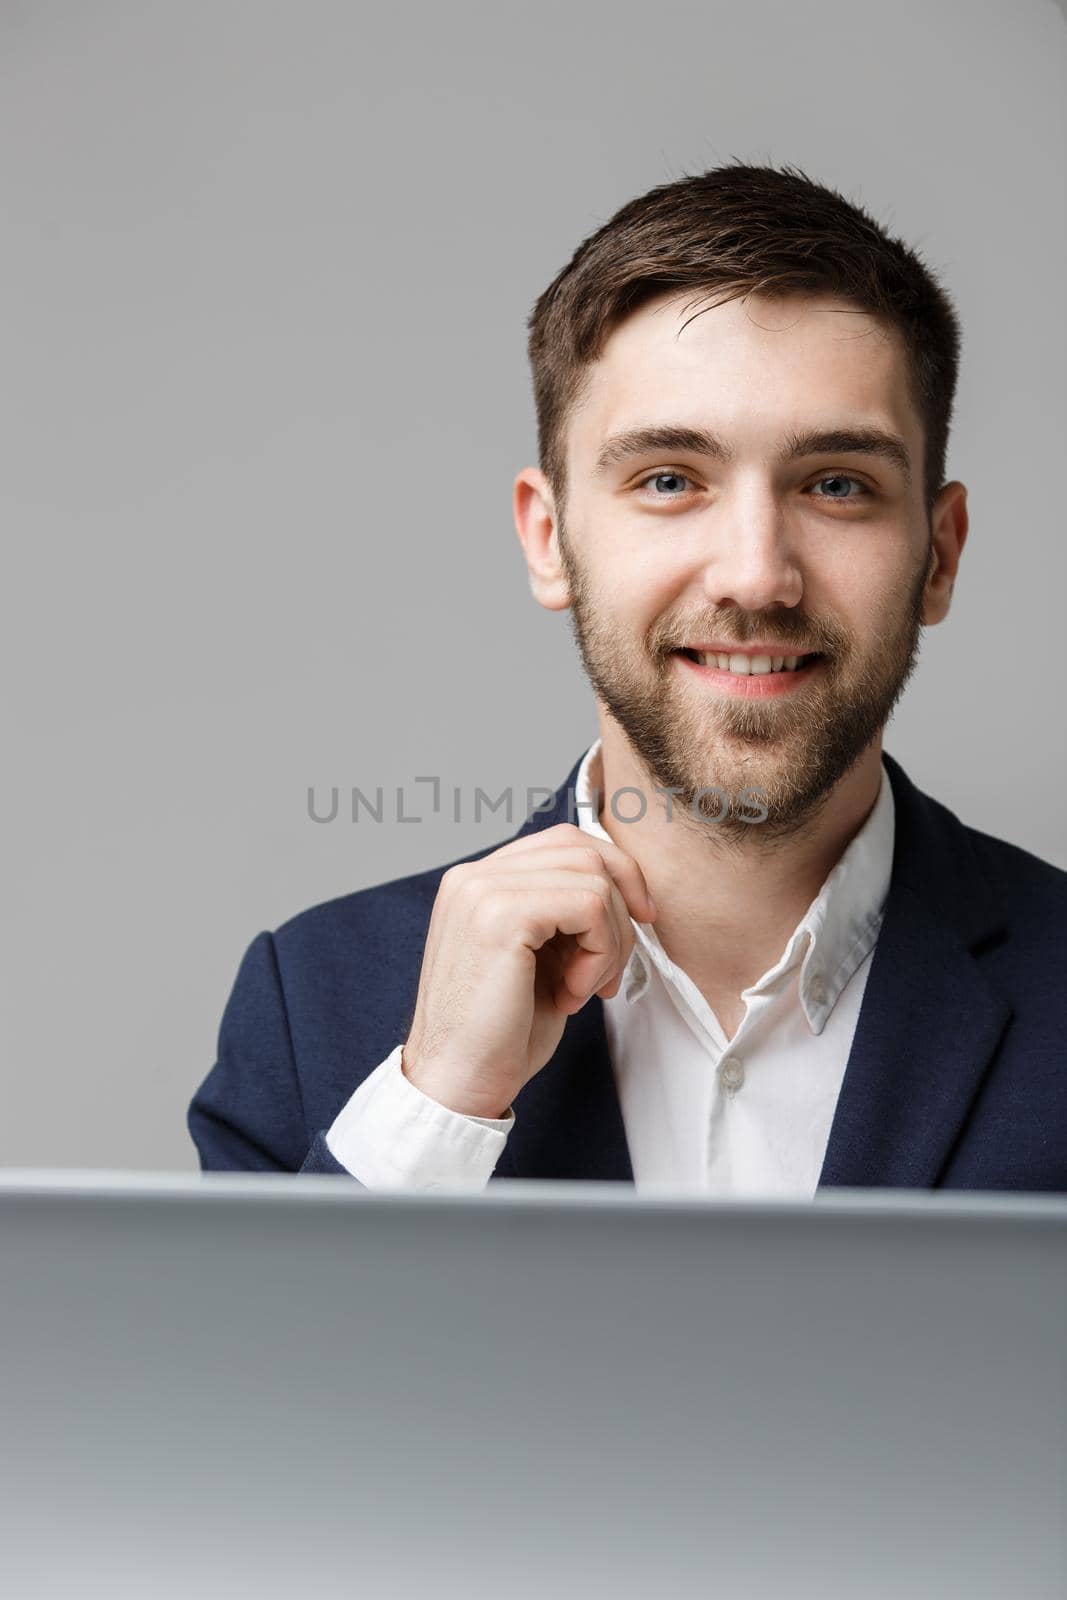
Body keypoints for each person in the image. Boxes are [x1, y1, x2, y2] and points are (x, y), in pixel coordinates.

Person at [188, 161, 1067, 1196]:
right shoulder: (314, 1007)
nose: (754, 574)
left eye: (836, 484)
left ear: (939, 551)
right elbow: (264, 1363)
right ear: (548, 538)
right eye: (666, 480)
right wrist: (434, 1107)